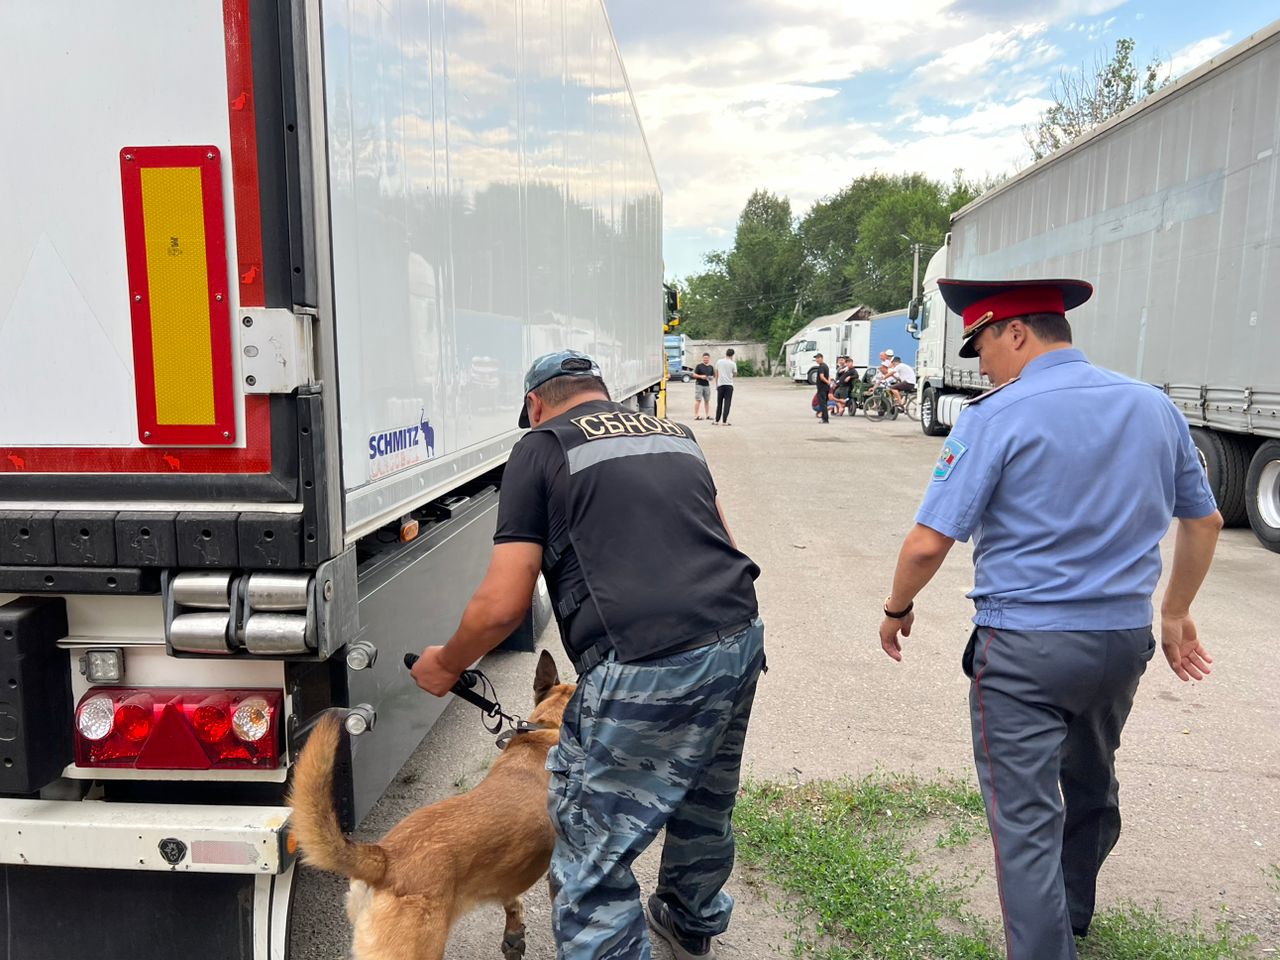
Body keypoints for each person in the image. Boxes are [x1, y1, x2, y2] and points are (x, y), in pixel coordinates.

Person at [877, 278, 1222, 960]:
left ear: (1015, 333)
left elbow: (925, 542)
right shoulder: (1152, 406)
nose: (981, 365)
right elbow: (1205, 518)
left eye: (981, 345)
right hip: (1121, 643)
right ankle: (1076, 909)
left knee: (1024, 822)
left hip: (1026, 648)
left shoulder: (995, 416)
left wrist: (896, 609)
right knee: (1091, 775)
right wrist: (1175, 611)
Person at [411, 350, 766, 960]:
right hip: (738, 634)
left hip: (645, 659)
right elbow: (722, 539)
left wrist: (445, 664)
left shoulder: (541, 446)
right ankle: (690, 922)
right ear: (600, 391)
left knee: (590, 855)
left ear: (535, 404)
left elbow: (503, 604)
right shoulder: (676, 435)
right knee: (705, 795)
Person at [714, 348, 737, 425]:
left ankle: (716, 420)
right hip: (729, 385)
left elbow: (716, 373)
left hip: (720, 384)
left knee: (719, 403)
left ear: (726, 353)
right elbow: (735, 374)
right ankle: (724, 421)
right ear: (732, 355)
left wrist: (716, 384)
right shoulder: (733, 363)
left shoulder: (719, 361)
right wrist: (731, 375)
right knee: (727, 403)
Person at [693, 352, 715, 420]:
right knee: (698, 400)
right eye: (704, 359)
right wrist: (700, 376)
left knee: (707, 400)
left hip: (707, 385)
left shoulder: (711, 367)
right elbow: (694, 375)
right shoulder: (699, 366)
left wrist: (710, 378)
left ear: (709, 359)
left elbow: (712, 376)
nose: (706, 360)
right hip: (699, 384)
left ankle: (708, 415)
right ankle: (696, 415)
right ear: (703, 358)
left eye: (707, 359)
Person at [813, 353, 832, 423]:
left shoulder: (821, 367)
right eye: (816, 358)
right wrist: (829, 382)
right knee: (825, 403)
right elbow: (829, 376)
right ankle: (825, 418)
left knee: (822, 404)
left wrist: (827, 382)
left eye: (818, 358)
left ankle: (825, 419)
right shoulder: (826, 366)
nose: (817, 360)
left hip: (822, 388)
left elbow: (822, 377)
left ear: (821, 358)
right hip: (826, 388)